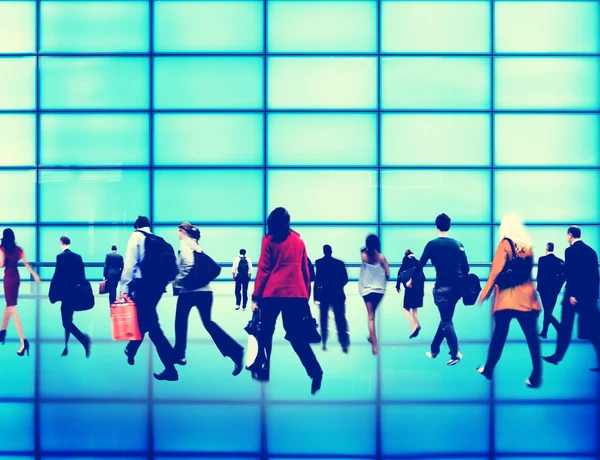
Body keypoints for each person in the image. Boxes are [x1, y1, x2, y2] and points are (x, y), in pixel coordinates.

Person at [251, 207, 323, 394]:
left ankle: (263, 371)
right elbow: (305, 272)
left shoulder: (268, 240)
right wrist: (304, 296)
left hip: (272, 293)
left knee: (265, 334)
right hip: (296, 295)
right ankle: (315, 371)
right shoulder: (299, 242)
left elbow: (264, 269)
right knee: (297, 337)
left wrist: (255, 297)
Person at [477, 214, 542, 388]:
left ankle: (488, 369)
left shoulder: (505, 245)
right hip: (526, 300)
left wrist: (484, 294)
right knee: (532, 340)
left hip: (506, 300)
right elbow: (527, 272)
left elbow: (495, 273)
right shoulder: (528, 247)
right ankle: (536, 376)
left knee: (499, 337)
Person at [174, 222, 244, 374]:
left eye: (179, 230)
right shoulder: (197, 246)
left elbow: (187, 264)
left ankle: (180, 355)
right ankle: (235, 352)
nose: (178, 233)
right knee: (208, 323)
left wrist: (178, 281)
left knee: (180, 321)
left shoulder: (185, 243)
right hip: (205, 292)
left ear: (185, 232)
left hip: (188, 291)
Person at [122, 216, 178, 381]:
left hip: (142, 287)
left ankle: (171, 366)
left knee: (153, 328)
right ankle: (131, 349)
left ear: (137, 226)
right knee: (146, 321)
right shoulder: (159, 240)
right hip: (158, 288)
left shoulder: (136, 236)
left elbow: (130, 264)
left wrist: (124, 289)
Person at [408, 213, 469, 366]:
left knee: (446, 320)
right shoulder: (458, 244)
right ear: (449, 226)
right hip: (456, 290)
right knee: (445, 319)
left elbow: (420, 265)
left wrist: (411, 280)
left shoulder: (432, 244)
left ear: (436, 226)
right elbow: (466, 268)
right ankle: (434, 350)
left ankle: (455, 352)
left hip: (441, 288)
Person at [543, 226, 600, 372]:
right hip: (588, 297)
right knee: (594, 330)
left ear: (570, 235)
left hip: (573, 297)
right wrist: (594, 296)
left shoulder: (570, 251)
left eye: (567, 236)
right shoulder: (591, 252)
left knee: (565, 327)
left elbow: (571, 273)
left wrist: (573, 294)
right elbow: (595, 276)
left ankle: (557, 357)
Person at [48, 236, 91, 358]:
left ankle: (84, 339)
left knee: (66, 322)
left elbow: (58, 275)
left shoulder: (60, 257)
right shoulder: (78, 257)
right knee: (68, 320)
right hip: (75, 293)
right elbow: (82, 275)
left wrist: (53, 293)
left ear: (61, 243)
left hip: (65, 294)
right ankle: (66, 346)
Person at [0, 229, 40, 356]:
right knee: (9, 305)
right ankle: (2, 332)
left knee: (12, 307)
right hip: (16, 278)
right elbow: (26, 264)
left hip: (8, 278)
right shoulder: (18, 249)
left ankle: (23, 340)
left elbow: (1, 265)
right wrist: (34, 274)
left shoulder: (2, 249)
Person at [358, 234, 390, 356]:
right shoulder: (382, 258)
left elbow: (362, 249)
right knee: (373, 314)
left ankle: (374, 345)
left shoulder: (363, 256)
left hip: (366, 290)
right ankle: (372, 338)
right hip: (379, 290)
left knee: (370, 317)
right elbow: (387, 274)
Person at [314, 244, 349, 352]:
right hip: (337, 294)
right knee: (340, 318)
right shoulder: (339, 263)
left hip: (325, 294)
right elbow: (345, 279)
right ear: (331, 251)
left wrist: (315, 295)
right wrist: (337, 286)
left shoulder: (319, 263)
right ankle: (343, 342)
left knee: (323, 318)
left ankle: (324, 341)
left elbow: (318, 280)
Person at [536, 242, 565, 339]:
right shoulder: (559, 261)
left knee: (547, 311)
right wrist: (558, 288)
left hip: (544, 290)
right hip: (554, 291)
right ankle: (544, 332)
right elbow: (563, 276)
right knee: (548, 310)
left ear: (546, 248)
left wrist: (539, 288)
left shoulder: (542, 259)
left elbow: (539, 276)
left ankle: (560, 328)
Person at [396, 249, 424, 339]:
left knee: (406, 309)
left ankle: (414, 325)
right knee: (414, 308)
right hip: (419, 287)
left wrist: (398, 285)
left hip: (410, 286)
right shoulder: (417, 261)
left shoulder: (406, 260)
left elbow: (400, 272)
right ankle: (416, 325)